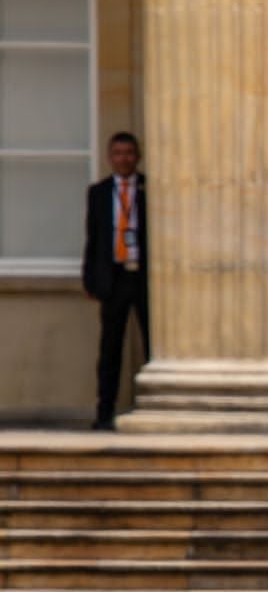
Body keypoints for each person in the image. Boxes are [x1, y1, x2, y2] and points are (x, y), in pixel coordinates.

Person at [82, 131, 148, 430]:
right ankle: (104, 412)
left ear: (138, 156)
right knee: (110, 348)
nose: (124, 159)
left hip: (145, 277)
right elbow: (93, 239)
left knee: (153, 345)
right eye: (118, 153)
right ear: (110, 157)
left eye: (129, 153)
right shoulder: (98, 192)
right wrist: (90, 280)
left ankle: (151, 408)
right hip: (114, 277)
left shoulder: (150, 189)